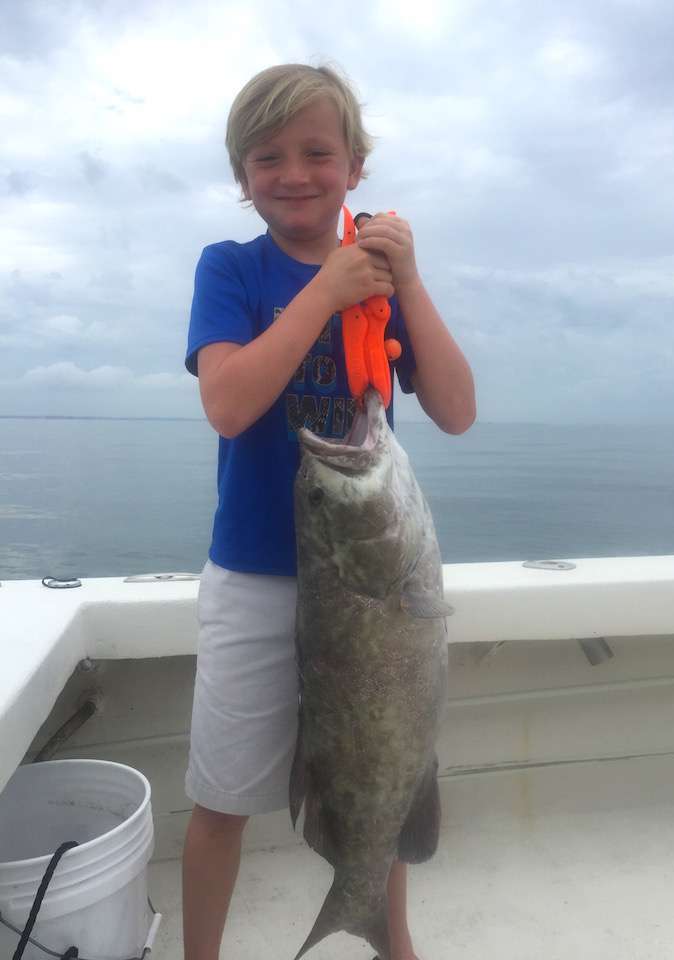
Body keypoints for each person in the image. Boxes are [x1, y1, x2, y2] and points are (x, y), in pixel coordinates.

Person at [183, 62, 476, 960]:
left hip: (377, 589)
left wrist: (407, 283)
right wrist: (327, 292)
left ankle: (392, 941)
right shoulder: (230, 270)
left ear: (355, 166)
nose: (295, 173)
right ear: (243, 178)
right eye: (268, 157)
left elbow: (456, 411)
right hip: (256, 582)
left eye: (318, 152)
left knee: (384, 766)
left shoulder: (383, 277)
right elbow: (230, 403)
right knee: (222, 794)